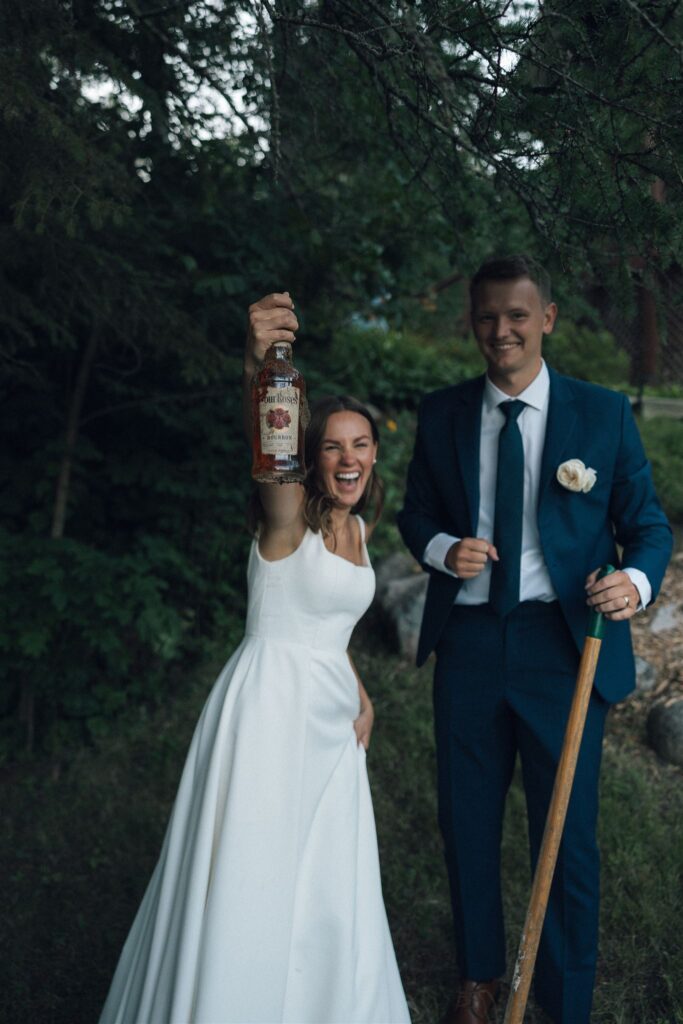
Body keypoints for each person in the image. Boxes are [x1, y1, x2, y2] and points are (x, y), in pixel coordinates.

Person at [99, 292, 411, 1024]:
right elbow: (271, 446)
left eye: (360, 444)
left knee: (326, 886)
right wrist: (257, 368)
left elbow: (327, 622)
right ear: (307, 454)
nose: (348, 458)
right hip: (269, 711)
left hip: (333, 724)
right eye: (331, 445)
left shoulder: (359, 530)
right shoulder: (286, 517)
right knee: (253, 876)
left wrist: (361, 694)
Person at [397, 255, 672, 1024]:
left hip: (564, 648)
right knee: (467, 819)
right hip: (473, 643)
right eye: (486, 316)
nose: (501, 331)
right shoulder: (443, 412)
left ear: (545, 318)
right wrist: (440, 548)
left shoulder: (601, 413)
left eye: (517, 315)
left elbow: (646, 527)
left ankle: (562, 993)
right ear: (471, 323)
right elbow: (414, 514)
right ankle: (479, 978)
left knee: (566, 833)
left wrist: (636, 584)